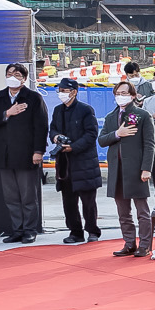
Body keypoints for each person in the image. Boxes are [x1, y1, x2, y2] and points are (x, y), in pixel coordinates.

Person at [0, 63, 50, 244]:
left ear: (23, 77)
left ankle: (30, 229)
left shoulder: (33, 98)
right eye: (9, 73)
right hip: (4, 155)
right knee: (11, 196)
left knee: (28, 195)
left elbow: (41, 126)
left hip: (26, 154)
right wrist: (7, 113)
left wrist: (39, 151)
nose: (12, 76)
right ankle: (17, 229)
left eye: (16, 74)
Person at [100, 80, 155, 256]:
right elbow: (102, 140)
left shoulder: (142, 115)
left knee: (142, 210)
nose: (120, 96)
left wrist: (146, 168)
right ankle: (129, 243)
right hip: (117, 169)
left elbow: (150, 143)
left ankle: (144, 244)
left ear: (133, 95)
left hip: (136, 169)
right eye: (118, 93)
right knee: (123, 211)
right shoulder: (110, 117)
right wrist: (117, 134)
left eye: (124, 93)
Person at [47, 78, 103, 244]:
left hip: (84, 162)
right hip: (65, 162)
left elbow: (91, 134)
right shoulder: (58, 110)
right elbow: (53, 129)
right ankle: (75, 231)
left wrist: (74, 147)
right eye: (60, 90)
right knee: (68, 201)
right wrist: (56, 138)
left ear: (74, 92)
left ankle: (92, 231)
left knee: (88, 201)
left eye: (64, 90)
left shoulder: (85, 110)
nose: (61, 93)